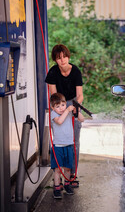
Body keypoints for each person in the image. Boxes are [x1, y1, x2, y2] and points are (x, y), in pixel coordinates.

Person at [45, 44, 83, 188]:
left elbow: (80, 95)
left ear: (68, 56)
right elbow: (53, 97)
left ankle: (72, 174)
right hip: (58, 106)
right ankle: (59, 175)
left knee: (74, 141)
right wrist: (61, 108)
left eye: (65, 56)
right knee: (60, 140)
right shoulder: (53, 73)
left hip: (73, 104)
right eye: (59, 58)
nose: (63, 60)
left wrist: (73, 108)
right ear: (55, 60)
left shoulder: (76, 71)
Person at [50, 93, 84, 199]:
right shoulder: (53, 114)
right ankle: (56, 187)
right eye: (57, 106)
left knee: (68, 168)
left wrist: (77, 110)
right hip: (58, 146)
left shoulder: (68, 113)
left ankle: (67, 185)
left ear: (66, 104)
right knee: (58, 169)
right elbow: (60, 121)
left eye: (63, 105)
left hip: (69, 144)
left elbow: (81, 119)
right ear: (53, 107)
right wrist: (67, 110)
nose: (61, 108)